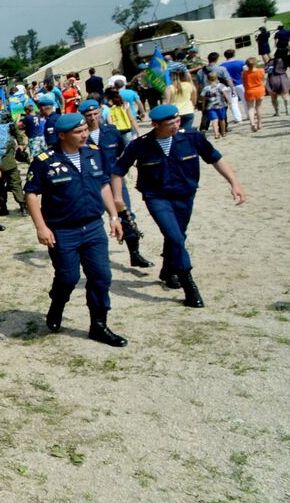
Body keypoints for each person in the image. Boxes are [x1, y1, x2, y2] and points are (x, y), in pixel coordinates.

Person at [110, 103, 248, 308]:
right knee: (174, 236)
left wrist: (234, 183)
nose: (176, 126)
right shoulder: (140, 145)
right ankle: (188, 284)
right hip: (157, 197)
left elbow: (216, 159)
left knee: (177, 235)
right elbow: (117, 171)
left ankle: (167, 270)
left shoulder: (192, 137)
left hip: (185, 195)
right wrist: (117, 197)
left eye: (177, 121)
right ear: (156, 124)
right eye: (170, 123)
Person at [24, 113, 127, 346]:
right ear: (62, 135)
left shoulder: (93, 152)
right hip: (62, 231)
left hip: (92, 227)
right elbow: (31, 193)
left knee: (101, 277)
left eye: (85, 130)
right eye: (78, 132)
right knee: (68, 277)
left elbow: (103, 185)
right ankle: (57, 304)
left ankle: (99, 326)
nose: (85, 134)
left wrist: (114, 216)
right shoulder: (45, 160)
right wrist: (41, 227)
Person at [79, 99, 152, 269]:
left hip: (113, 180)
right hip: (91, 183)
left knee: (126, 214)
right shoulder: (80, 136)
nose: (93, 118)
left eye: (95, 113)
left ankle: (134, 253)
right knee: (92, 218)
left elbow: (121, 153)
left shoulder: (111, 132)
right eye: (88, 115)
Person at [163, 65, 197, 130]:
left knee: (176, 133)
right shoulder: (190, 85)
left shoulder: (169, 88)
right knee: (186, 132)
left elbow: (166, 102)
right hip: (188, 111)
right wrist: (192, 106)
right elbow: (194, 99)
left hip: (175, 112)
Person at [200, 70, 230, 138]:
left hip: (210, 106)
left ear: (207, 79)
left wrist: (203, 106)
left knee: (214, 120)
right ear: (216, 78)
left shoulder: (206, 88)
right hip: (221, 105)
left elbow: (204, 99)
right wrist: (229, 102)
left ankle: (216, 133)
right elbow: (226, 94)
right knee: (222, 119)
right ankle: (223, 132)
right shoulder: (221, 86)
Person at [222, 49, 248, 125]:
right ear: (233, 54)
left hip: (229, 86)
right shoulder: (241, 62)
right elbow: (246, 71)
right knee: (245, 100)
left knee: (233, 103)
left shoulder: (222, 65)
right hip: (240, 83)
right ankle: (249, 114)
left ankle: (238, 119)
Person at [242, 58, 266, 131]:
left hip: (249, 90)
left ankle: (252, 123)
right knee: (258, 107)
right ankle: (259, 123)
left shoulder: (244, 73)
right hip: (259, 89)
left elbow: (244, 83)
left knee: (250, 108)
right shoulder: (261, 71)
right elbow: (263, 80)